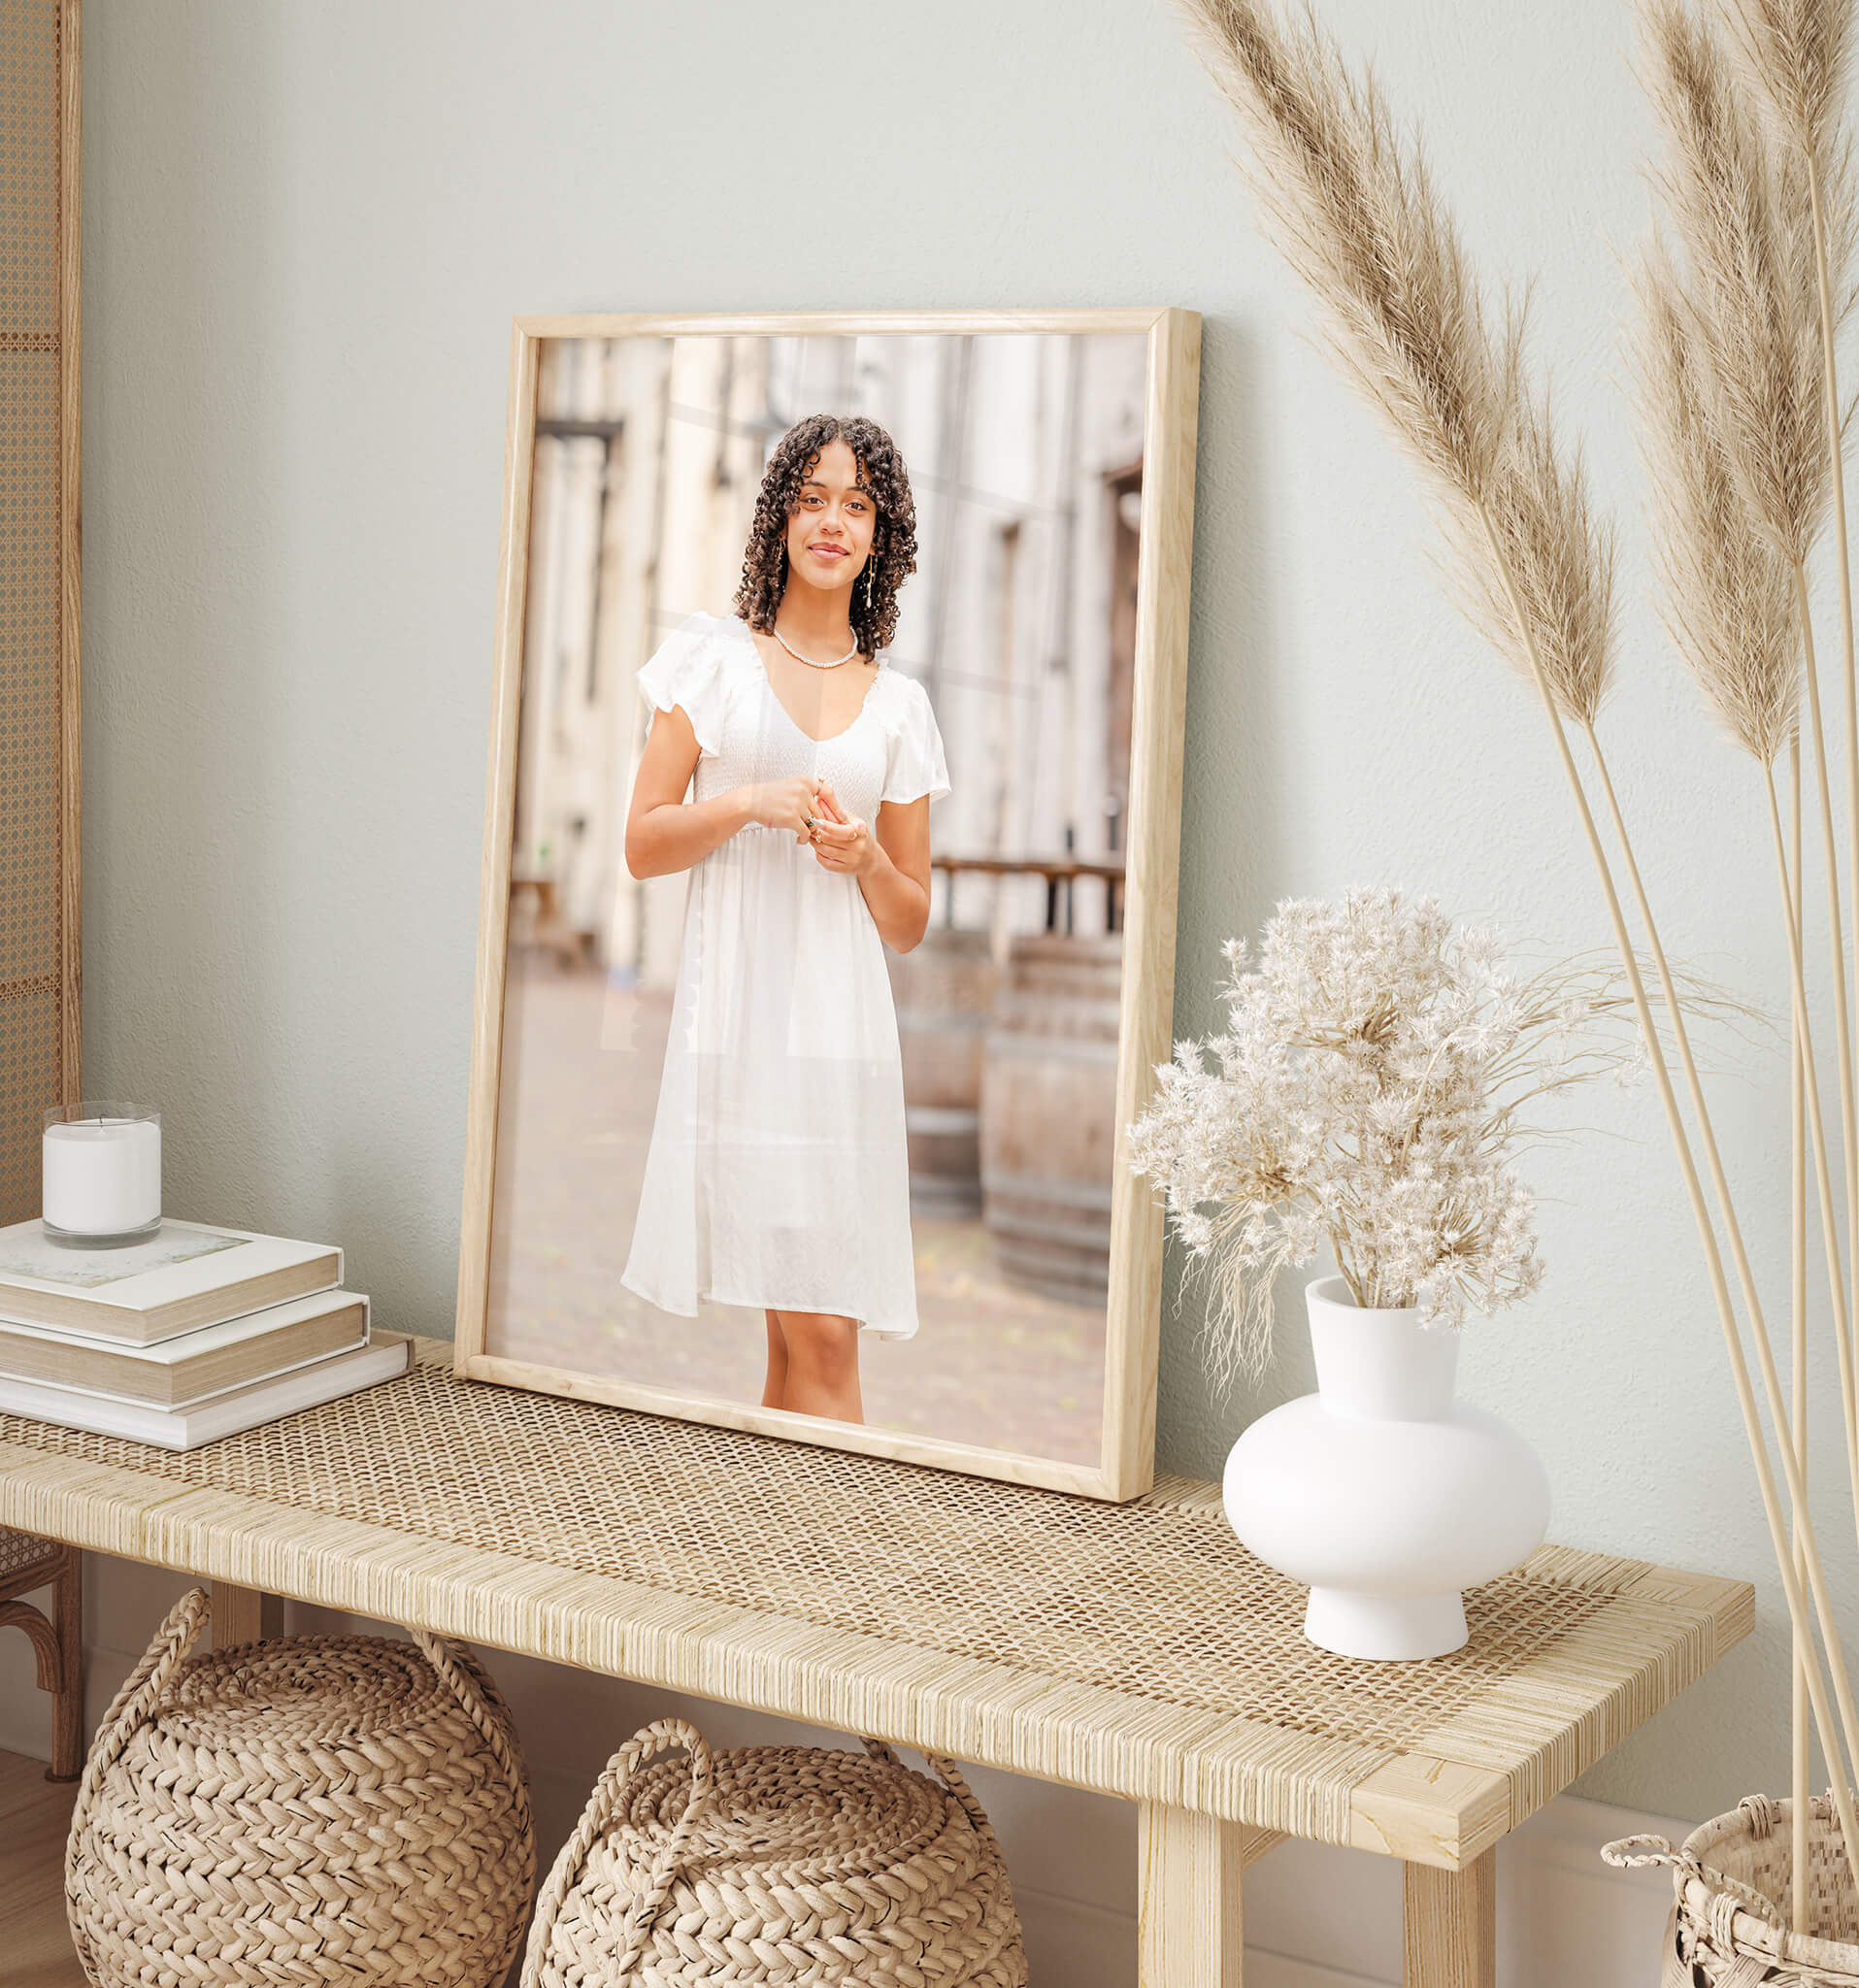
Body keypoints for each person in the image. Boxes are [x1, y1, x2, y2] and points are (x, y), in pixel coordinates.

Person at [620, 414, 949, 1425]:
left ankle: (793, 1563)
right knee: (794, 1334)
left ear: (880, 537)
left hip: (839, 1046)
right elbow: (641, 843)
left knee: (817, 1332)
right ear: (779, 517)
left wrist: (863, 862)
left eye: (857, 505)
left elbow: (909, 920)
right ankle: (797, 1564)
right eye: (812, 496)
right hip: (738, 1034)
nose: (832, 521)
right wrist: (743, 804)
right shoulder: (712, 663)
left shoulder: (899, 707)